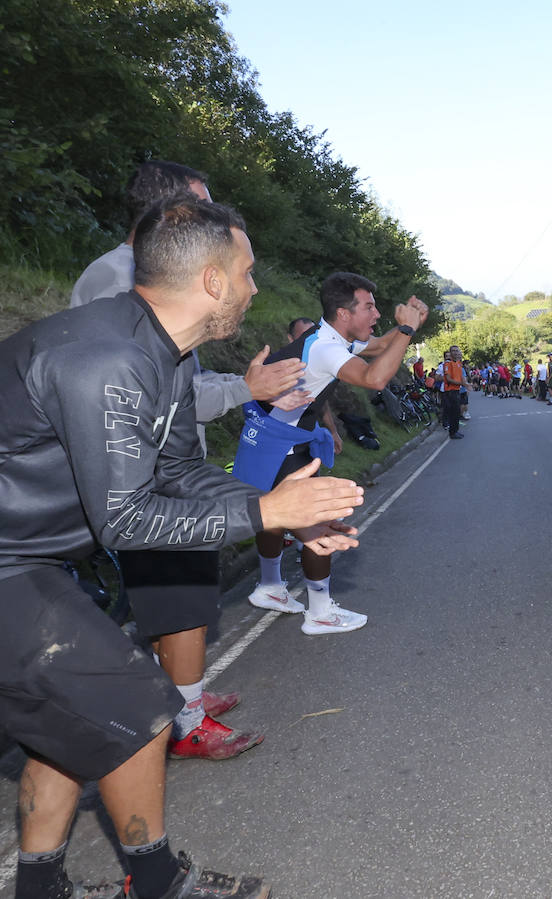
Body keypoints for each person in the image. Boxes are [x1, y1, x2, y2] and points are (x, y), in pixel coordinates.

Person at [0, 197, 362, 899]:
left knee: (73, 721)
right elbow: (128, 521)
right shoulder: (106, 358)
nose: (257, 287)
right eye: (249, 271)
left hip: (29, 559)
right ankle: (161, 883)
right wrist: (265, 509)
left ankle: (39, 890)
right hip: (9, 562)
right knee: (138, 711)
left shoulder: (164, 354)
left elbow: (177, 475)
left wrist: (282, 520)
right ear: (215, 282)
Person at [70, 160, 309, 762]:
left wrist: (243, 391)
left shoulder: (146, 287)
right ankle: (182, 721)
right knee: (177, 595)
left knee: (186, 594)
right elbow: (135, 403)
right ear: (174, 219)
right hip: (139, 477)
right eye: (206, 205)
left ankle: (182, 700)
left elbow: (176, 399)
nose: (248, 282)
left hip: (167, 465)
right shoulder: (117, 282)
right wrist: (246, 395)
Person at [237, 272, 428, 635]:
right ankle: (321, 613)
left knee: (275, 515)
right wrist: (406, 332)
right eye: (369, 307)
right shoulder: (326, 349)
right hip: (281, 442)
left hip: (267, 436)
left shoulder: (328, 337)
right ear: (344, 313)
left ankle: (270, 587)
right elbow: (374, 378)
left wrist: (411, 325)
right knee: (318, 525)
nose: (376, 314)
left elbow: (376, 346)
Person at [440, 345, 466, 439]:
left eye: (456, 350)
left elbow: (460, 376)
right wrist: (461, 383)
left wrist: (464, 383)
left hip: (457, 390)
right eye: (453, 351)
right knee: (453, 412)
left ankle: (455, 430)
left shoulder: (459, 363)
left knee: (457, 412)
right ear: (450, 353)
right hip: (450, 391)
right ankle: (452, 432)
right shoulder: (448, 364)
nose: (455, 352)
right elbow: (448, 378)